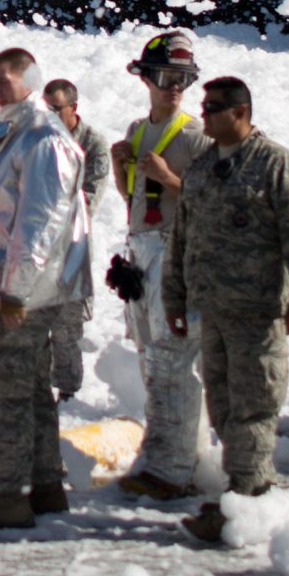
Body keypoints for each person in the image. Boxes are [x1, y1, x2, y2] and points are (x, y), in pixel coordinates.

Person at [165, 75, 289, 542]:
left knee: (254, 406)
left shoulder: (275, 164)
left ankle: (251, 500)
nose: (205, 113)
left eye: (214, 107)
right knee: (223, 407)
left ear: (240, 112)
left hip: (257, 312)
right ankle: (242, 494)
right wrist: (174, 295)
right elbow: (183, 237)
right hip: (212, 309)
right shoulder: (201, 168)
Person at [0, 47, 90, 529]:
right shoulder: (15, 130)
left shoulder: (40, 137)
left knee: (2, 391)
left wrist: (16, 289)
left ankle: (10, 495)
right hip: (20, 288)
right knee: (30, 386)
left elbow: (41, 220)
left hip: (25, 293)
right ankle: (46, 487)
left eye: (5, 80)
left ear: (30, 79)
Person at [109, 30, 208, 499]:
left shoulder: (195, 137)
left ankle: (174, 468)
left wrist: (168, 177)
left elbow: (209, 203)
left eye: (183, 79)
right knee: (151, 359)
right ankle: (166, 456)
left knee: (174, 360)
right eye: (168, 76)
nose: (174, 87)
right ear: (146, 78)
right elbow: (131, 197)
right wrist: (118, 165)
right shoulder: (136, 130)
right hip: (142, 249)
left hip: (176, 250)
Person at [40, 78, 109, 403]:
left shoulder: (93, 144)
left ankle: (67, 391)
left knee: (68, 327)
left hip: (72, 250)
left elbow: (89, 198)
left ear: (74, 108)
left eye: (56, 109)